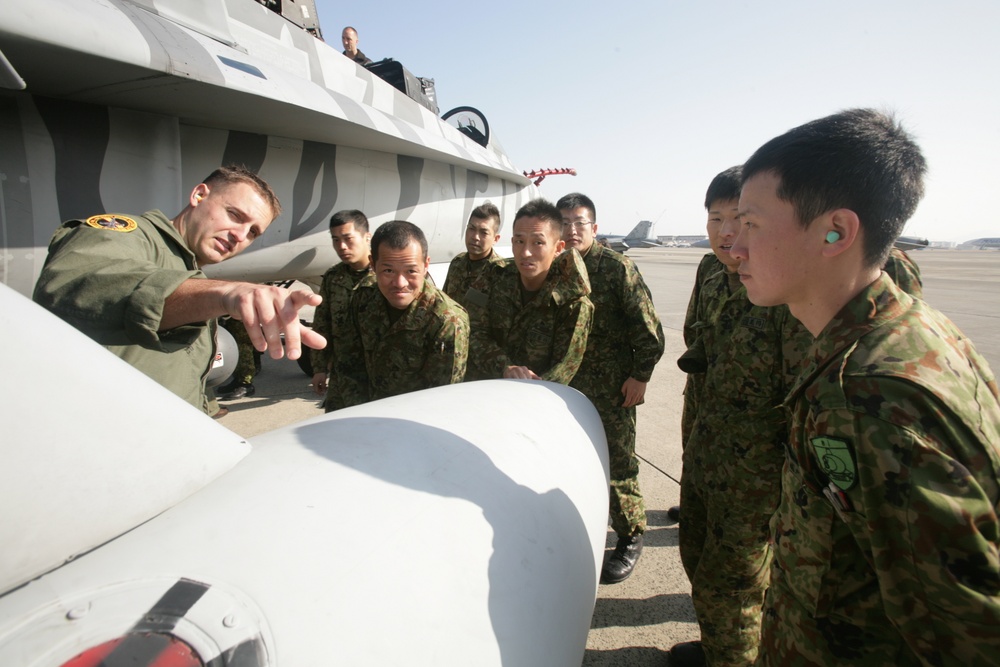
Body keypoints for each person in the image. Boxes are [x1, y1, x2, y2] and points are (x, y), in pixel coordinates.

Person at [733, 108, 1000, 665]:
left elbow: (967, 634)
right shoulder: (911, 329)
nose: (735, 248)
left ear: (837, 231)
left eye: (753, 225)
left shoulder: (869, 397)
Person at [33, 166, 325, 416]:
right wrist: (224, 293)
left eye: (253, 232)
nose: (240, 236)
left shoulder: (191, 271)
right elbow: (79, 286)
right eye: (235, 215)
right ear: (199, 195)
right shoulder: (126, 236)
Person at [670, 166, 808, 667]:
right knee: (698, 561)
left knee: (733, 585)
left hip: (756, 476)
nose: (726, 232)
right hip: (707, 451)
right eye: (715, 219)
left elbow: (802, 396)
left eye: (739, 218)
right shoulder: (711, 270)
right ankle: (719, 647)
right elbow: (697, 343)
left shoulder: (784, 290)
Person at [556, 193, 664, 585]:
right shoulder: (557, 267)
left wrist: (641, 375)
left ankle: (631, 534)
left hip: (612, 388)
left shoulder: (617, 268)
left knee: (618, 464)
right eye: (564, 222)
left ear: (594, 228)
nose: (571, 230)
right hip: (566, 387)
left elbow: (648, 331)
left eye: (578, 223)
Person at [333, 220, 468, 407]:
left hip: (412, 424)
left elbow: (441, 399)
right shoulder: (364, 297)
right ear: (373, 264)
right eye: (388, 270)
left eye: (411, 271)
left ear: (426, 264)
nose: (400, 283)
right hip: (364, 416)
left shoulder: (447, 321)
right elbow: (347, 365)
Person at [464, 198, 593, 383]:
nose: (525, 252)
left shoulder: (574, 303)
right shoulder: (493, 274)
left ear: (558, 248)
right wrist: (504, 367)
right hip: (486, 388)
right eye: (519, 241)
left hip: (535, 399)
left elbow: (563, 369)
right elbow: (471, 329)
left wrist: (525, 386)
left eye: (538, 243)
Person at [310, 209, 373, 411]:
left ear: (366, 237)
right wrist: (319, 368)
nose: (341, 247)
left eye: (348, 239)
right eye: (335, 240)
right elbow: (322, 323)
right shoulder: (333, 278)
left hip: (374, 377)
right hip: (341, 377)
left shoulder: (385, 276)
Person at [442, 202, 506, 308]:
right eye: (471, 229)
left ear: (495, 239)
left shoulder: (501, 273)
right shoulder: (457, 263)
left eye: (484, 232)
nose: (475, 237)